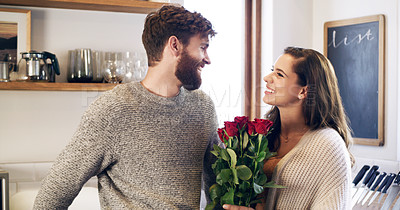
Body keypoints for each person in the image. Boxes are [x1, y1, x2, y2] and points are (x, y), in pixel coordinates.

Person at [33, 5, 219, 209]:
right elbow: (56, 190)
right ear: (174, 45)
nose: (207, 59)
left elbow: (217, 185)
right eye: (202, 47)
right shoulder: (113, 109)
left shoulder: (203, 107)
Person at [223, 47, 353, 210]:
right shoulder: (263, 135)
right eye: (272, 70)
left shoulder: (329, 147)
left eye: (279, 74)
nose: (266, 78)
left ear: (303, 91)